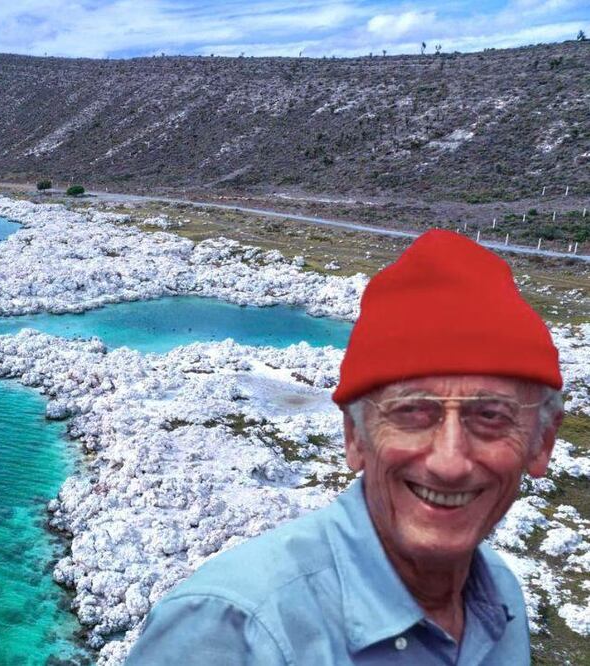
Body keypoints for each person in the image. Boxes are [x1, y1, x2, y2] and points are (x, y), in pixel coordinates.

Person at [125, 230, 563, 665]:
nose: (449, 462)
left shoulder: (501, 598)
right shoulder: (233, 630)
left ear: (541, 443)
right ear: (355, 438)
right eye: (411, 413)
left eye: (490, 416)